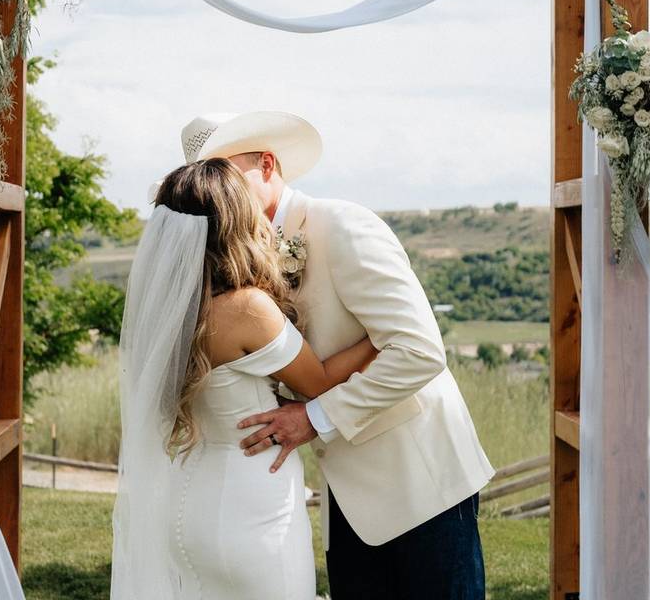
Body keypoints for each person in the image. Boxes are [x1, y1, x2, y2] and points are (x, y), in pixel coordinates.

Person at [181, 111, 496, 599]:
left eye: (226, 172)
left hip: (419, 485)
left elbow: (419, 350)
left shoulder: (342, 225)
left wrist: (315, 417)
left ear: (267, 164)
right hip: (344, 497)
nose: (217, 189)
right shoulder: (231, 260)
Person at [111, 157, 377, 600]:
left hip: (187, 506)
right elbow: (320, 383)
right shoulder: (246, 308)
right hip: (252, 510)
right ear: (235, 220)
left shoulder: (167, 312)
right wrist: (377, 337)